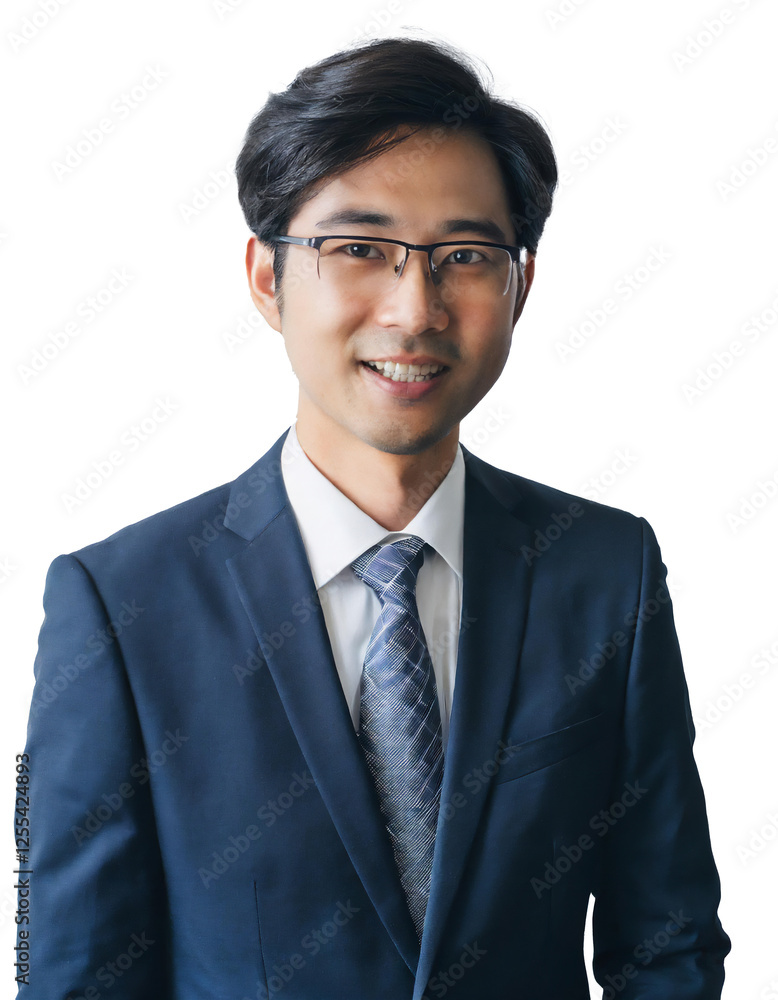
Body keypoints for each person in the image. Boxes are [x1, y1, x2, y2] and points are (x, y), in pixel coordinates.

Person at [16, 35, 730, 1000]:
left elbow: (668, 945)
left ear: (520, 286)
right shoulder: (122, 604)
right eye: (359, 249)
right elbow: (76, 977)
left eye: (464, 257)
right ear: (267, 277)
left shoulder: (605, 570)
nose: (414, 309)